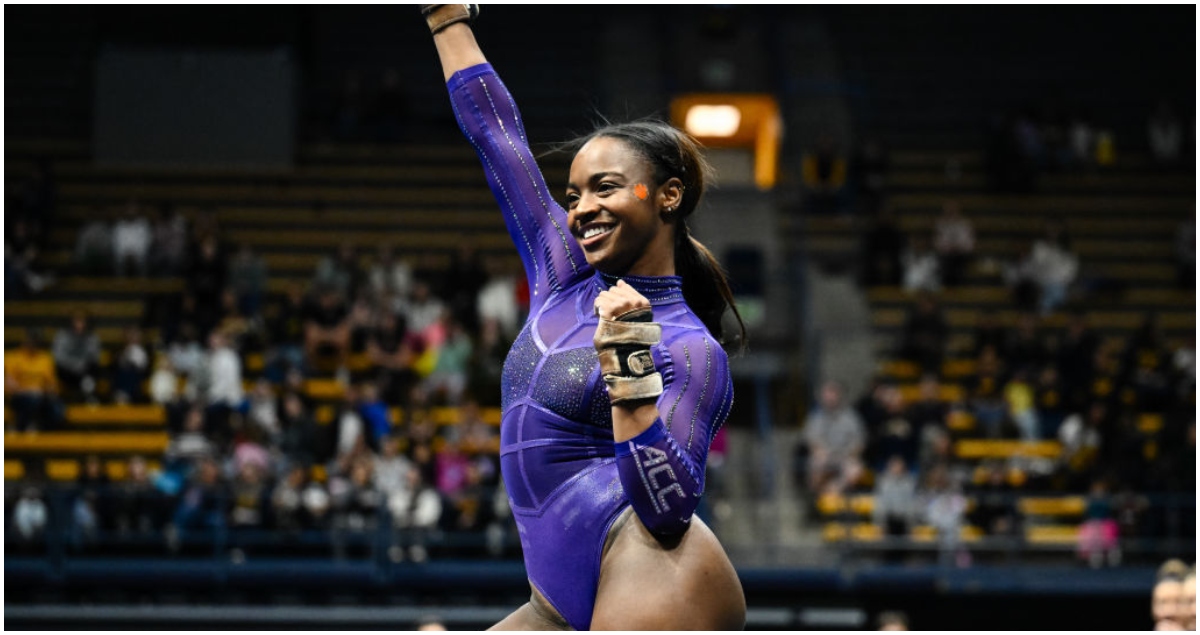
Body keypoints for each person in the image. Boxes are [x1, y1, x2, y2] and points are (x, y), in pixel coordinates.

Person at [423, 5, 746, 630]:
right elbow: (497, 137)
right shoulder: (559, 276)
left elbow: (668, 506)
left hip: (652, 566)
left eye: (605, 188)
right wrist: (445, 18)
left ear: (668, 196)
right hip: (554, 594)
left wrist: (628, 360)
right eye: (573, 195)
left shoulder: (688, 346)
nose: (582, 208)